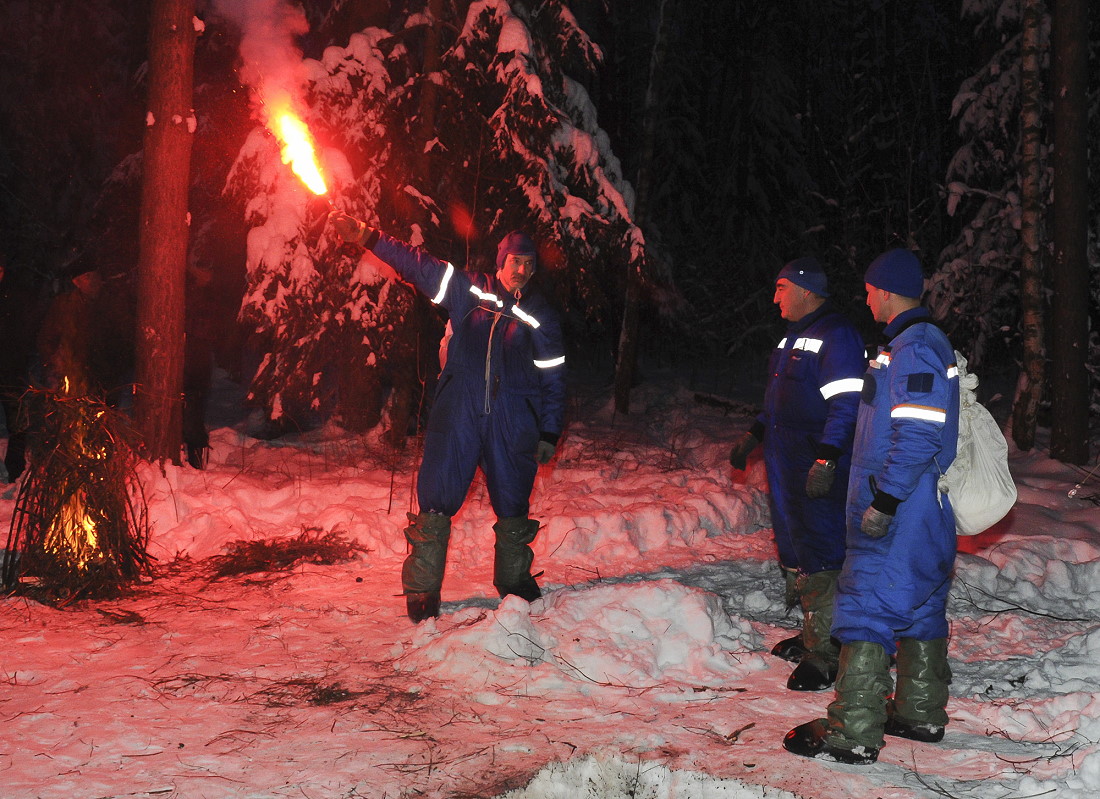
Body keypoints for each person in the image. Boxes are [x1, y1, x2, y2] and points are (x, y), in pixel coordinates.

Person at [330, 211, 566, 623]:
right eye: (516, 261)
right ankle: (422, 589)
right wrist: (369, 236)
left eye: (530, 264)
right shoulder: (469, 290)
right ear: (502, 261)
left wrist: (549, 429)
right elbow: (417, 265)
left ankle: (513, 581)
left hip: (513, 419)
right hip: (460, 411)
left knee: (513, 498)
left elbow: (554, 375)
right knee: (437, 495)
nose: (523, 270)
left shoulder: (540, 313)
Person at [784, 248, 960, 764]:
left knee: (865, 608)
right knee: (921, 608)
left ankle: (853, 730)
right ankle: (919, 712)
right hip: (920, 507)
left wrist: (884, 501)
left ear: (884, 291)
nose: (865, 301)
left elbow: (918, 435)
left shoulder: (916, 349)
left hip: (901, 508)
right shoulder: (911, 344)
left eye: (868, 292)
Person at [728, 257, 866, 692]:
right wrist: (754, 434)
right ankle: (813, 635)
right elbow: (780, 401)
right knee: (798, 546)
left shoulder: (837, 335)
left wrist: (827, 458)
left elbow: (847, 405)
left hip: (815, 461)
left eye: (781, 288)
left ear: (807, 290)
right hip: (786, 460)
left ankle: (828, 654)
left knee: (823, 548)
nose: (775, 298)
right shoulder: (794, 336)